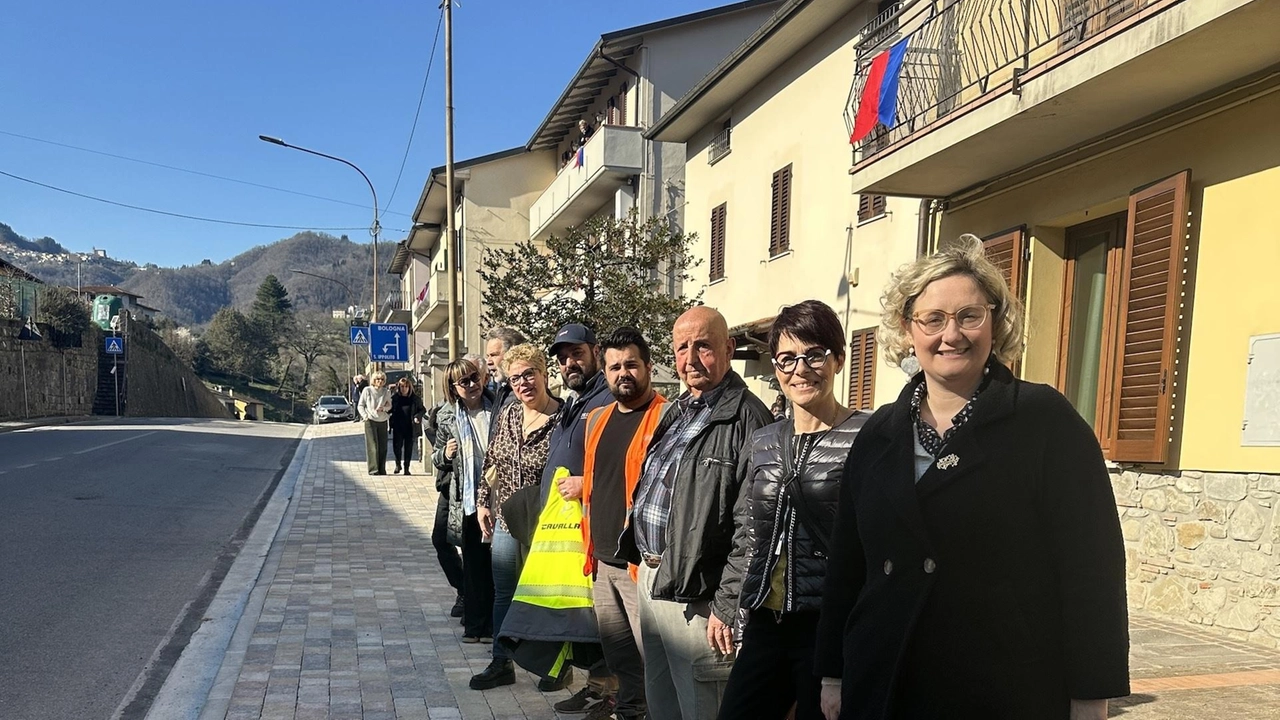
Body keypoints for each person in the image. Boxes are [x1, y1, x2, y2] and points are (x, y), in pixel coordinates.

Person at [814, 235, 1130, 720]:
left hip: (1005, 686)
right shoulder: (879, 433)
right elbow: (848, 565)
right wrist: (834, 673)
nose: (951, 335)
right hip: (885, 679)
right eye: (933, 319)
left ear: (996, 321)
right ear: (908, 329)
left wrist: (1091, 694)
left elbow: (1092, 567)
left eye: (969, 316)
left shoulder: (1045, 421)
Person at [716, 301, 868, 720]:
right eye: (787, 358)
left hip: (828, 625)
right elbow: (748, 529)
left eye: (814, 354)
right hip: (767, 620)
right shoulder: (763, 440)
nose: (800, 369)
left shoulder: (868, 436)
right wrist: (728, 604)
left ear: (837, 359)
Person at [619, 306, 774, 720]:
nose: (690, 359)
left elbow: (755, 525)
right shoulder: (679, 410)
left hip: (701, 597)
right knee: (663, 701)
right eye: (681, 347)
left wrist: (726, 605)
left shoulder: (749, 417)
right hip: (655, 580)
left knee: (703, 706)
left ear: (728, 348)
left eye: (702, 346)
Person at [572, 327, 669, 720]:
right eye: (614, 366)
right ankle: (630, 711)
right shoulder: (596, 418)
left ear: (648, 366)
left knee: (656, 658)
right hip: (601, 562)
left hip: (641, 565)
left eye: (631, 364)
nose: (622, 373)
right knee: (619, 654)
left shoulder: (666, 417)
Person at [470, 344, 563, 691]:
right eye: (515, 378)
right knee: (504, 592)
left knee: (546, 595)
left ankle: (554, 665)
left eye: (529, 374)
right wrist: (483, 503)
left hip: (548, 524)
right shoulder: (508, 414)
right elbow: (491, 460)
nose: (523, 383)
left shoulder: (563, 418)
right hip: (508, 518)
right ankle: (501, 661)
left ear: (543, 374)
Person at [434, 356, 497, 638]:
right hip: (468, 499)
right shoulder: (446, 416)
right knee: (473, 565)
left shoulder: (498, 406)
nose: (472, 385)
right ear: (453, 387)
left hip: (498, 496)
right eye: (464, 381)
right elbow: (437, 458)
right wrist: (445, 454)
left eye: (475, 378)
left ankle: (496, 623)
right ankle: (475, 626)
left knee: (498, 564)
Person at [484, 326, 527, 420]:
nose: (489, 361)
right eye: (488, 356)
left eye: (494, 355)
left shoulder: (527, 393)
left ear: (512, 354)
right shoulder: (503, 391)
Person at [358, 371, 392, 475]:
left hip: (382, 420)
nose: (380, 381)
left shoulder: (386, 392)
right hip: (370, 420)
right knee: (373, 446)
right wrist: (365, 416)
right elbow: (360, 405)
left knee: (383, 446)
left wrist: (384, 408)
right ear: (374, 380)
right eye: (378, 379)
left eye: (382, 379)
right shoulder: (367, 390)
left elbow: (390, 406)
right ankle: (373, 469)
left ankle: (382, 469)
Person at [390, 376, 425, 474]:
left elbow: (422, 409)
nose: (404, 388)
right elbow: (389, 409)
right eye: (402, 386)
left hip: (410, 427)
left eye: (406, 386)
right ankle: (398, 465)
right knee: (397, 447)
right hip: (398, 426)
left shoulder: (415, 399)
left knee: (408, 448)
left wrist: (418, 416)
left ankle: (406, 468)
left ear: (409, 387)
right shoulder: (395, 398)